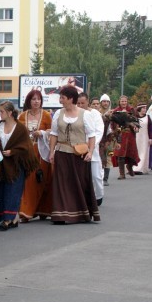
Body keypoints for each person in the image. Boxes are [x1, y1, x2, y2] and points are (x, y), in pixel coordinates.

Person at [47, 86, 100, 224]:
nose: (60, 101)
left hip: (79, 154)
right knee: (62, 184)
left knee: (78, 184)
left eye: (63, 98)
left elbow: (91, 135)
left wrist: (90, 152)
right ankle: (61, 214)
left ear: (71, 99)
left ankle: (80, 212)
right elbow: (54, 134)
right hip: (62, 152)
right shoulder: (59, 114)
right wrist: (51, 152)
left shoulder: (85, 114)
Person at [0, 101, 36, 229]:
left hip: (16, 165)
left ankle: (9, 218)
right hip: (1, 164)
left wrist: (13, 151)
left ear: (10, 113)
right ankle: (1, 216)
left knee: (13, 190)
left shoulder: (20, 128)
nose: (0, 114)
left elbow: (27, 146)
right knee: (0, 190)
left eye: (2, 112)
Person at [19, 88, 53, 220]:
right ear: (29, 101)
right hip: (28, 153)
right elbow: (18, 132)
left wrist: (42, 133)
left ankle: (42, 210)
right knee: (29, 182)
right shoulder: (22, 116)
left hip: (42, 153)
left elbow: (52, 131)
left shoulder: (46, 115)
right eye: (33, 99)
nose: (36, 101)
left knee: (43, 180)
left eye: (38, 99)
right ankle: (26, 211)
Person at [77, 93, 105, 205]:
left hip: (92, 148)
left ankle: (99, 196)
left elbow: (99, 131)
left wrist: (90, 146)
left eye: (82, 103)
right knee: (80, 176)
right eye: (78, 103)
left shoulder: (95, 114)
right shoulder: (75, 114)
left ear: (88, 102)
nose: (80, 105)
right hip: (77, 148)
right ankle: (82, 197)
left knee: (96, 175)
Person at [110, 95, 139, 179]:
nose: (124, 103)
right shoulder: (116, 111)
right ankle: (122, 173)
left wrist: (134, 125)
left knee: (131, 152)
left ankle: (129, 167)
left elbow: (136, 121)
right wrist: (115, 131)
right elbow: (113, 123)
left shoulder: (131, 110)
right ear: (119, 102)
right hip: (120, 134)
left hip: (130, 134)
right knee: (120, 154)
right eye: (122, 101)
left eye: (125, 101)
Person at [132, 103, 150, 174]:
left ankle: (140, 168)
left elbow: (150, 128)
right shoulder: (135, 118)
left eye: (145, 108)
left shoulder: (148, 118)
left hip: (145, 137)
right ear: (139, 109)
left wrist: (151, 138)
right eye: (143, 108)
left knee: (144, 152)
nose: (145, 110)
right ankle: (134, 166)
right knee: (136, 151)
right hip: (136, 136)